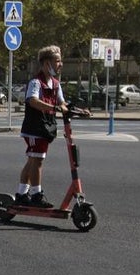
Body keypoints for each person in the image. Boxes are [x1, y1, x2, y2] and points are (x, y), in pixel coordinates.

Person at [15, 45, 89, 207]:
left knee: (33, 160)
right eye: (57, 61)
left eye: (61, 61)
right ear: (46, 63)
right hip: (34, 127)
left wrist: (79, 111)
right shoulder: (36, 82)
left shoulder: (55, 84)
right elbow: (32, 101)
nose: (61, 64)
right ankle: (36, 195)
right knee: (37, 161)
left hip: (46, 127)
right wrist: (54, 108)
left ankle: (21, 193)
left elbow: (62, 104)